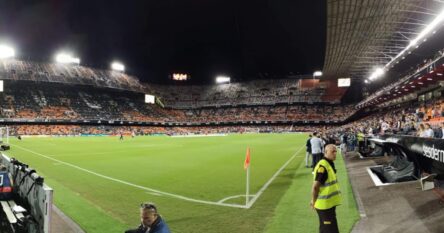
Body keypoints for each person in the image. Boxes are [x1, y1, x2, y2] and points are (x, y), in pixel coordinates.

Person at [310, 144, 341, 233]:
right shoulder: (323, 166)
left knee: (327, 229)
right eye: (332, 152)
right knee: (329, 230)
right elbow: (315, 187)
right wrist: (313, 200)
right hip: (324, 206)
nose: (335, 154)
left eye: (336, 151)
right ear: (326, 152)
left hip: (329, 205)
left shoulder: (329, 163)